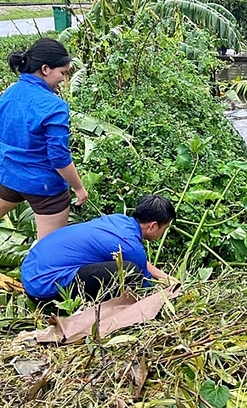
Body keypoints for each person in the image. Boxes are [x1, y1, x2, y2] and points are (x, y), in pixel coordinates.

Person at [0, 38, 88, 240]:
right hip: (44, 188)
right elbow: (59, 159)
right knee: (48, 251)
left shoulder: (9, 93)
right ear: (46, 69)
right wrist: (79, 188)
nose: (64, 79)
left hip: (8, 177)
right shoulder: (53, 106)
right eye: (63, 72)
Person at [21, 195, 178, 304]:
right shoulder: (131, 247)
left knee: (126, 266)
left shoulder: (117, 220)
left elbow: (139, 260)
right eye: (165, 228)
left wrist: (164, 277)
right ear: (153, 226)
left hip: (31, 272)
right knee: (131, 273)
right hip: (43, 291)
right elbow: (145, 284)